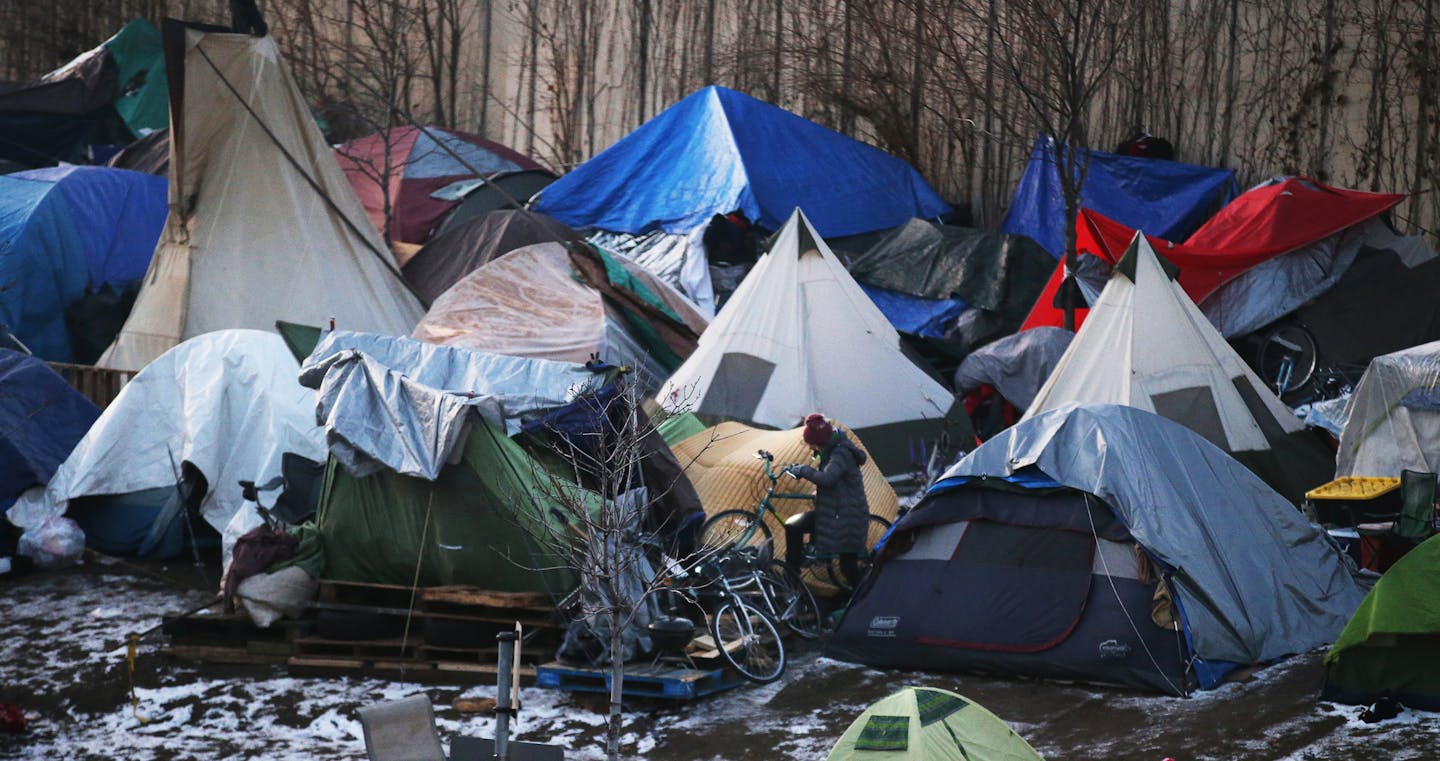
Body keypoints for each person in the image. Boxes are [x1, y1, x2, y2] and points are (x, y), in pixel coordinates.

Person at [782, 414, 871, 586]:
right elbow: (836, 483)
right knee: (793, 525)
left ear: (820, 441)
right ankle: (792, 576)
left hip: (847, 518)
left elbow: (828, 478)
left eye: (811, 444)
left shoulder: (840, 453)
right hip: (834, 512)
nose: (810, 448)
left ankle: (865, 601)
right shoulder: (832, 450)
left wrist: (804, 470)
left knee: (848, 567)